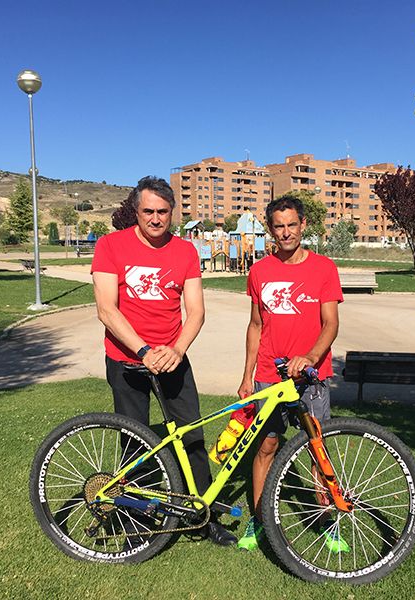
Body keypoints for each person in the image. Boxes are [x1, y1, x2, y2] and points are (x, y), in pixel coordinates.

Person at [91, 175, 237, 548]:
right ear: (136, 211)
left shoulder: (185, 251)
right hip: (126, 361)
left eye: (163, 212)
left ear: (172, 213)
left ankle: (206, 515)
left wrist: (176, 350)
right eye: (148, 211)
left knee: (192, 437)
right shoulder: (111, 246)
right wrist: (143, 350)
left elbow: (196, 312)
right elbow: (107, 310)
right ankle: (136, 520)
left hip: (174, 359)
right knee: (135, 442)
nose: (155, 219)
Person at [236, 193, 344, 552]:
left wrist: (310, 357)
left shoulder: (324, 268)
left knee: (317, 450)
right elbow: (255, 325)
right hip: (269, 374)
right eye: (278, 227)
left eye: (291, 225)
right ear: (271, 230)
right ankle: (258, 520)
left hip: (311, 377)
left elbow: (330, 324)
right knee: (266, 447)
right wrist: (246, 375)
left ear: (303, 225)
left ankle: (328, 521)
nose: (285, 233)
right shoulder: (260, 271)